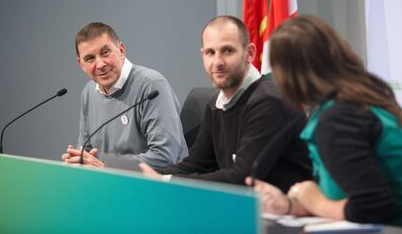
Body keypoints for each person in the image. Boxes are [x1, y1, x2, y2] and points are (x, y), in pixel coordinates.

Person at [247, 15, 402, 226]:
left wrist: (316, 201)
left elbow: (373, 207)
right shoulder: (364, 98)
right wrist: (290, 205)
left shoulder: (338, 118)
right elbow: (345, 194)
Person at [140, 15, 312, 190]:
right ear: (202, 55)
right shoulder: (216, 103)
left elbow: (242, 178)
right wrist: (144, 174)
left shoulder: (269, 101)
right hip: (248, 207)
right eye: (210, 53)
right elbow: (195, 164)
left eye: (228, 51)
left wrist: (165, 181)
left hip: (289, 213)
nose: (218, 62)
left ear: (249, 53)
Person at [61, 22, 188, 168]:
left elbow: (165, 155)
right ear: (81, 64)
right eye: (90, 58)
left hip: (157, 185)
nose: (100, 64)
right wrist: (79, 161)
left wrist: (106, 167)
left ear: (121, 50)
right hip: (111, 184)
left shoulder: (152, 85)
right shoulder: (88, 92)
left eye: (105, 52)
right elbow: (88, 153)